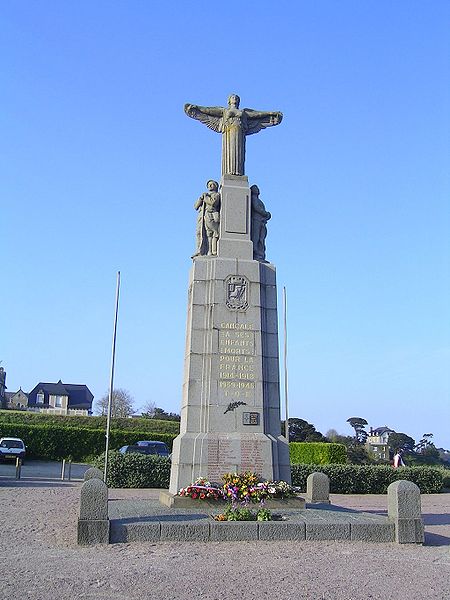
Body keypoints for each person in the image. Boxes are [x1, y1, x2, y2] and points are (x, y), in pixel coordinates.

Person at [184, 95, 283, 176]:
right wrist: (197, 108)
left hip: (239, 133)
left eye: (236, 98)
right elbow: (208, 110)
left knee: (239, 152)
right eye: (232, 97)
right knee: (230, 152)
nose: (234, 98)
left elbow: (257, 114)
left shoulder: (243, 112)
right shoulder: (224, 111)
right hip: (228, 133)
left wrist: (271, 113)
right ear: (229, 101)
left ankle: (238, 173)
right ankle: (228, 173)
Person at [193, 180, 221, 257]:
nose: (210, 186)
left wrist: (205, 197)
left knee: (214, 233)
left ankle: (213, 251)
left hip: (211, 215)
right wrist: (200, 198)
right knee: (202, 233)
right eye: (209, 184)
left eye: (212, 184)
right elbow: (195, 207)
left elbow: (212, 203)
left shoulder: (216, 194)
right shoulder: (205, 195)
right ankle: (202, 250)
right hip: (203, 216)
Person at [250, 184, 271, 261]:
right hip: (256, 220)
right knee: (256, 237)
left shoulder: (258, 200)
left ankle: (259, 254)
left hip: (261, 221)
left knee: (261, 238)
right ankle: (256, 254)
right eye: (255, 188)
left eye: (257, 188)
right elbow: (256, 208)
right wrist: (265, 213)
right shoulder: (253, 198)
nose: (257, 189)